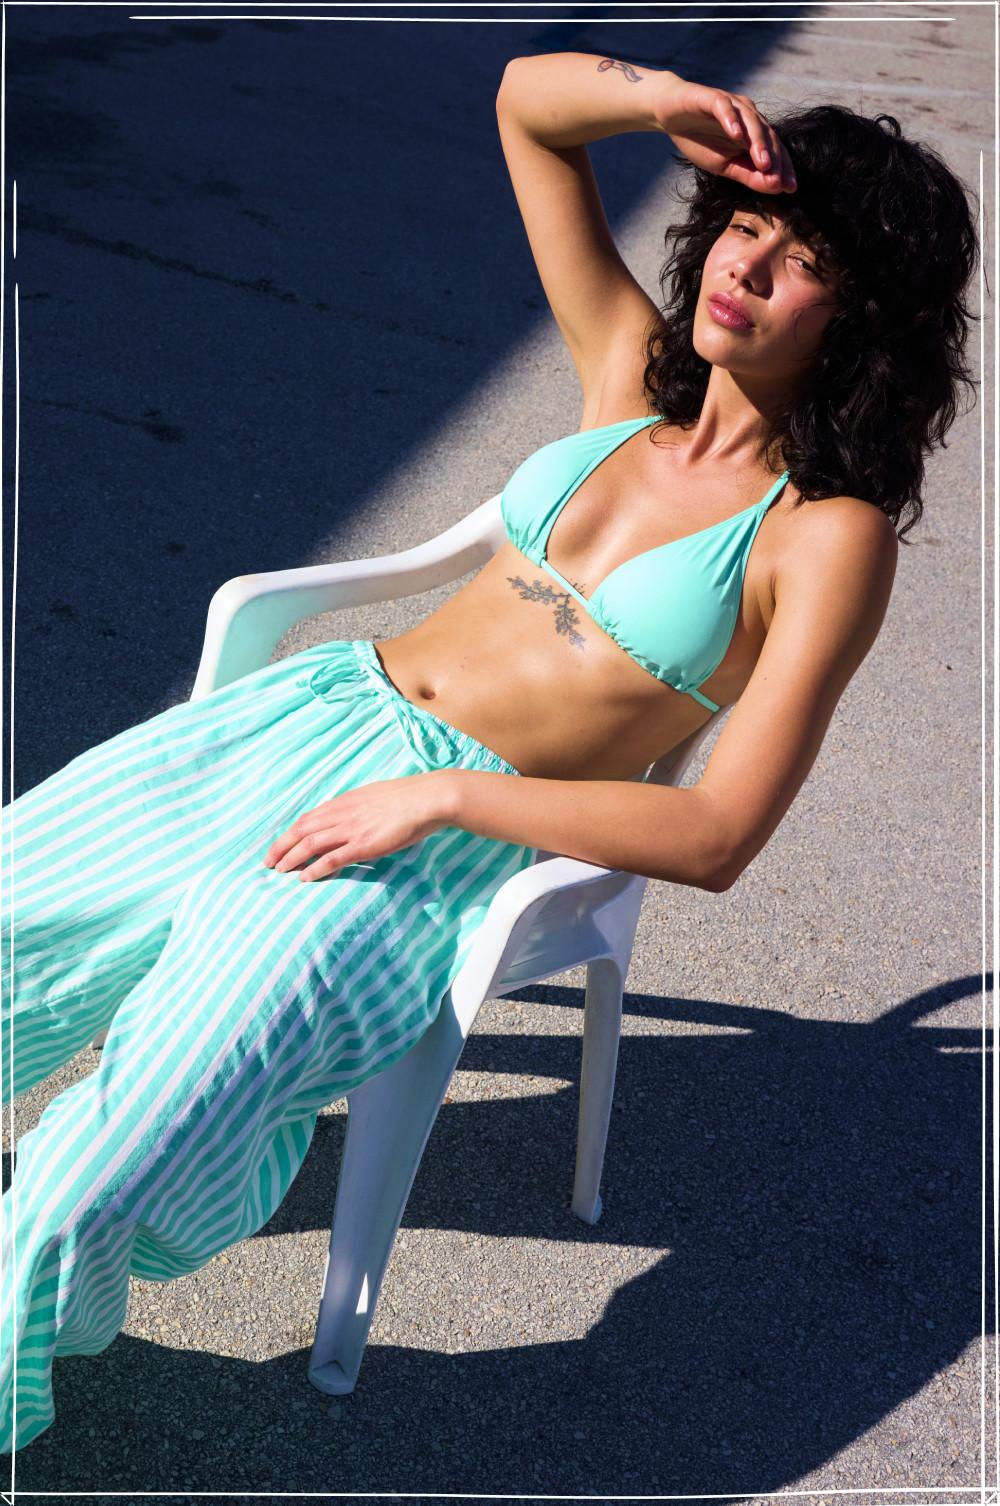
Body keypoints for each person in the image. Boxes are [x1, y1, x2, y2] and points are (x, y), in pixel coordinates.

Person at [0, 51, 979, 1453]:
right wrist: (666, 103)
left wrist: (444, 794)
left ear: (867, 315)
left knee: (123, 1138)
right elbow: (527, 105)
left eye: (804, 259)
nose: (747, 267)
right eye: (749, 225)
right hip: (310, 716)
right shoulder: (631, 373)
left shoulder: (827, 537)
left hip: (454, 837)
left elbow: (720, 835)